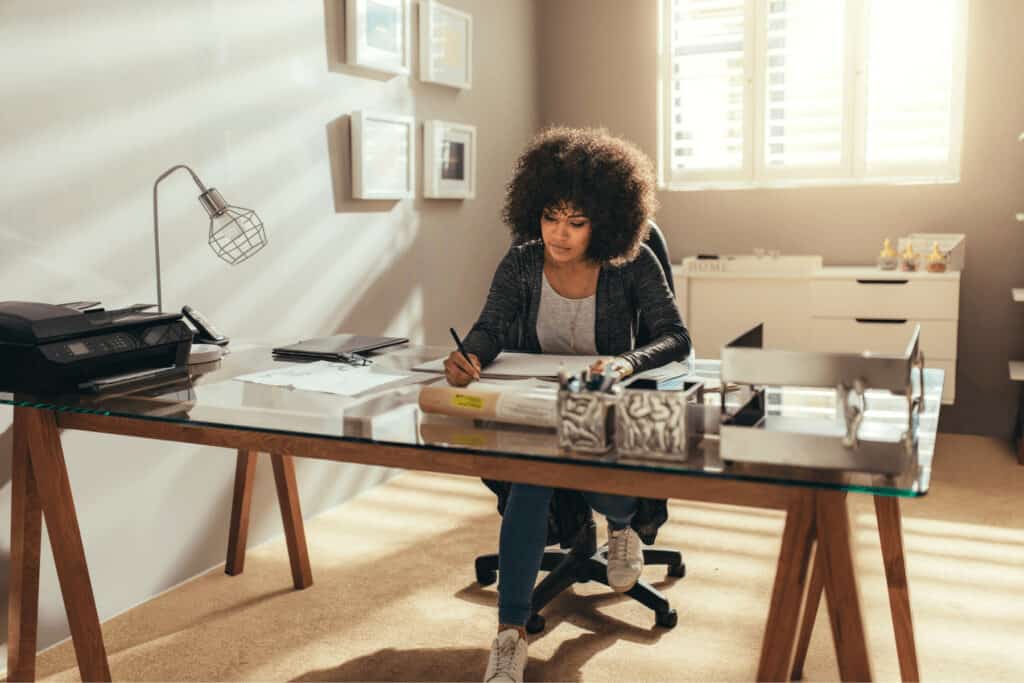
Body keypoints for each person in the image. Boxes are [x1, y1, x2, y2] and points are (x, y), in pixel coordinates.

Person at [443, 127, 691, 683]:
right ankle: (509, 637)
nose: (559, 233)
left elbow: (675, 337)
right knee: (532, 474)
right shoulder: (523, 262)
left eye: (576, 222)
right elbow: (490, 327)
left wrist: (626, 362)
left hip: (605, 404)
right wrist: (470, 357)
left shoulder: (633, 263)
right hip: (541, 405)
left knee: (591, 468)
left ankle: (621, 526)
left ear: (606, 221)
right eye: (551, 217)